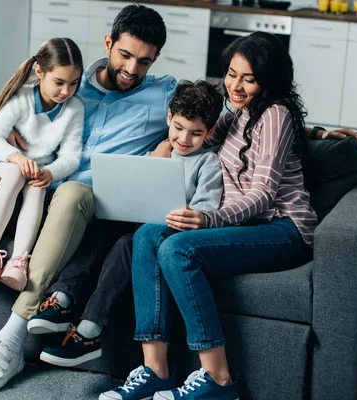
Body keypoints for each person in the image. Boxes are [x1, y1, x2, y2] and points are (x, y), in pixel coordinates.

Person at [0, 4, 176, 395]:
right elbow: (6, 123)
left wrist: (169, 143)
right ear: (108, 43)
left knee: (72, 192)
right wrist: (12, 154)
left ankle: (11, 340)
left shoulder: (162, 94)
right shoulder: (68, 80)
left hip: (74, 204)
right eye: (125, 55)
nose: (132, 69)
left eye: (144, 62)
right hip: (20, 185)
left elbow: (211, 122)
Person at [100, 31, 322, 400]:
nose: (235, 85)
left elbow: (264, 194)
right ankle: (156, 369)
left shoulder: (276, 114)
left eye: (248, 78)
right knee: (147, 235)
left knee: (178, 250)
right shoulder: (236, 113)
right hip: (247, 225)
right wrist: (162, 146)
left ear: (268, 80)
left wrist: (208, 219)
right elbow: (192, 133)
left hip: (283, 229)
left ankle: (219, 380)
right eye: (232, 74)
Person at [35, 80, 225, 368]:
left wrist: (190, 214)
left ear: (209, 131)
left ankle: (89, 331)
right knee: (101, 226)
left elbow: (205, 211)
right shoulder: (158, 152)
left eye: (196, 133)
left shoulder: (207, 163)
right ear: (169, 118)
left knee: (127, 244)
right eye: (179, 128)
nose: (185, 139)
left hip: (166, 236)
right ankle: (62, 297)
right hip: (136, 223)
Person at [0, 38, 84, 292]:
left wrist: (50, 172)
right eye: (59, 83)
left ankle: (18, 260)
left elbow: (71, 156)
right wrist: (16, 157)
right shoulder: (21, 98)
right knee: (16, 173)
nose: (66, 91)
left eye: (73, 83)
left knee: (37, 186)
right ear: (40, 72)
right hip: (4, 162)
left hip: (39, 171)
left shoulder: (74, 109)